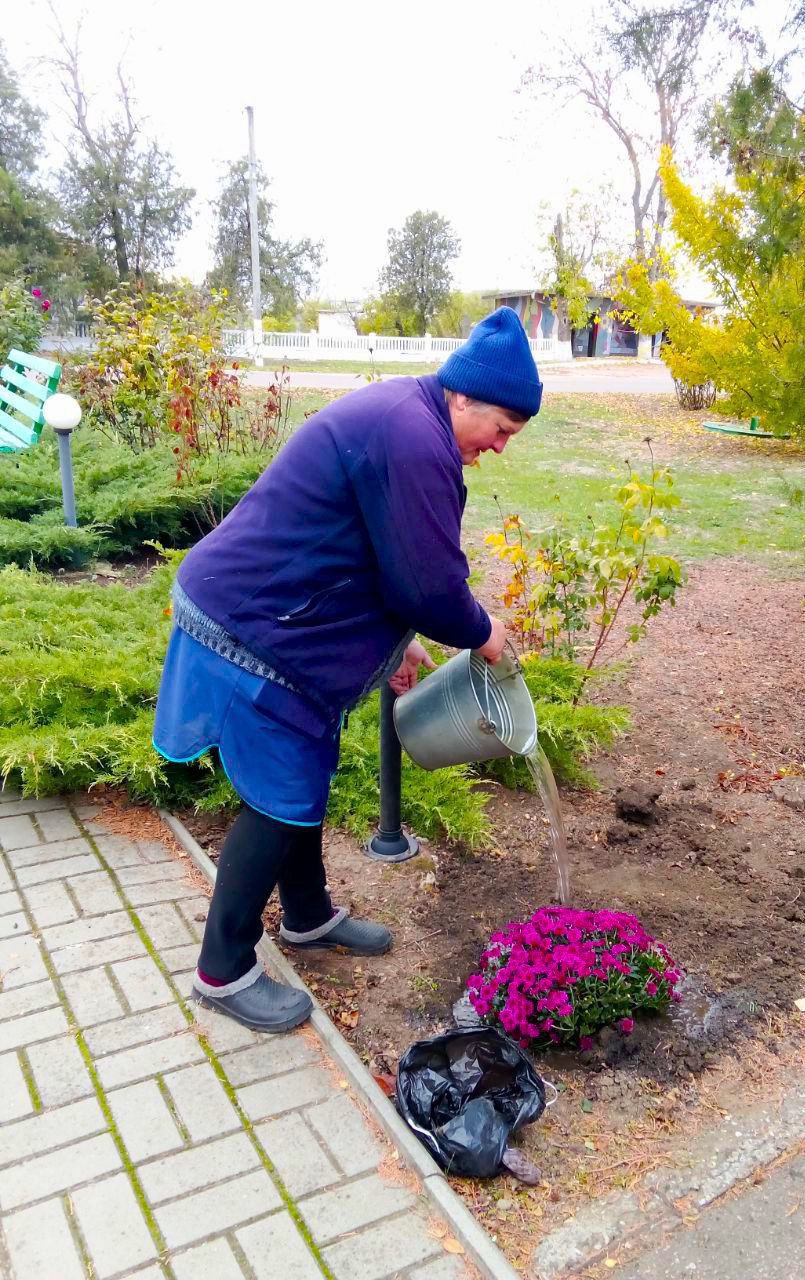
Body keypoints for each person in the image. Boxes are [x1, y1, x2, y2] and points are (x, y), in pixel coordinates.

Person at [153, 307, 543, 1033]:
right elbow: (426, 586)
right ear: (464, 398)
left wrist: (400, 647)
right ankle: (222, 969)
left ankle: (305, 917)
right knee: (278, 800)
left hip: (270, 618)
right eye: (502, 430)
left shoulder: (414, 420)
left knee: (301, 781)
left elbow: (379, 552)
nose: (500, 447)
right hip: (251, 623)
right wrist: (484, 633)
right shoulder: (413, 436)